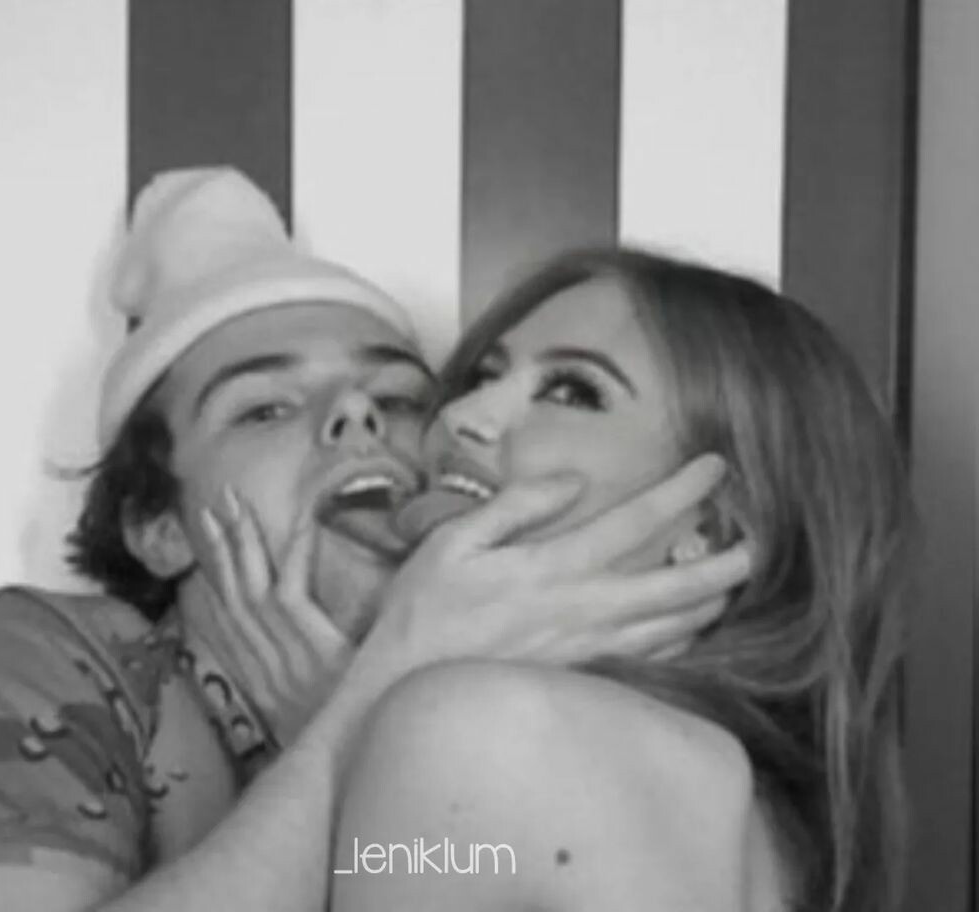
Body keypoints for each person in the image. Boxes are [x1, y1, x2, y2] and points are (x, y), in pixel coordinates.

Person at [0, 172, 749, 911]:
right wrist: (363, 715)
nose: (357, 414)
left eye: (401, 398)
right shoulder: (14, 656)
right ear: (159, 528)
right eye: (264, 409)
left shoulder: (570, 709)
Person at [318, 249, 914, 912]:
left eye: (572, 392)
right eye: (485, 373)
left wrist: (353, 718)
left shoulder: (484, 731)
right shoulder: (754, 809)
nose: (464, 414)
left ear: (713, 528)